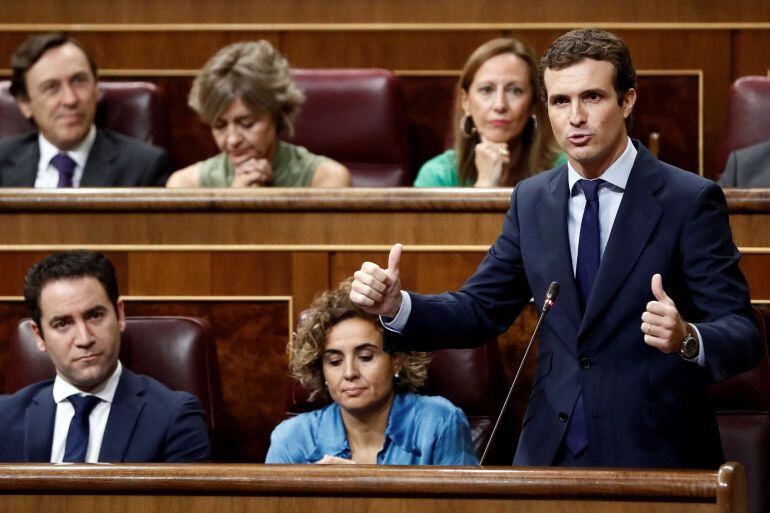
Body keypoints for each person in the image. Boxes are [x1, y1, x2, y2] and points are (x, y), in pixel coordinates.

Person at [351, 29, 761, 469]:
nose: (575, 117)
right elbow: (480, 309)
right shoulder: (532, 200)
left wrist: (686, 339)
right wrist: (398, 306)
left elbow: (743, 333)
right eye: (560, 101)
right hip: (551, 452)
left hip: (656, 454)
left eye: (593, 97)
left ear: (627, 101)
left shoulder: (688, 199)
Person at [0, 250, 210, 462]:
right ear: (39, 336)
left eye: (94, 316)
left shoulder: (174, 417)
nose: (84, 339)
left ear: (119, 315)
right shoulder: (3, 418)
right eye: (62, 324)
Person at [265, 279, 478, 465]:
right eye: (335, 361)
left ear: (396, 360)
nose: (349, 373)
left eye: (365, 357)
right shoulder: (291, 439)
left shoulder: (439, 423)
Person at [166, 41, 350, 188]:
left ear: (277, 114)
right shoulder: (186, 185)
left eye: (246, 123)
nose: (232, 140)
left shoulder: (326, 179)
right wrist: (232, 202)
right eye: (220, 126)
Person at [0, 33, 170, 187]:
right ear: (25, 103)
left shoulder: (144, 166)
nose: (70, 99)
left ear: (96, 88)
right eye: (51, 87)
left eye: (79, 81)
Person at [414, 37, 563, 188]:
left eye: (515, 90)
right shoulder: (437, 176)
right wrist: (486, 184)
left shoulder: (565, 171)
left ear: (533, 104)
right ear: (466, 101)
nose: (499, 105)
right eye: (486, 89)